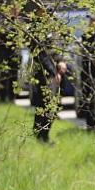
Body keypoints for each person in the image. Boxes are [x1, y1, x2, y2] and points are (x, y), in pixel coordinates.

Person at [30, 13, 67, 143]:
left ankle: (43, 137)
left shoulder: (53, 29)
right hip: (44, 75)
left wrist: (61, 61)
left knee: (52, 107)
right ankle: (40, 137)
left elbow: (58, 48)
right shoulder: (37, 30)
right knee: (45, 106)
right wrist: (54, 72)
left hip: (54, 73)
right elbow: (41, 55)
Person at [0, 10, 21, 102]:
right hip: (4, 52)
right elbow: (1, 34)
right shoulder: (2, 20)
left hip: (15, 53)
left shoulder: (19, 21)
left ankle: (12, 97)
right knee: (3, 75)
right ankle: (2, 96)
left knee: (14, 76)